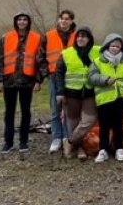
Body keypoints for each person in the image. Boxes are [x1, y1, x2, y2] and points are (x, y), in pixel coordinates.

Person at [0, 12, 45, 154]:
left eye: (24, 20)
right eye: (19, 20)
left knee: (26, 112)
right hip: (9, 81)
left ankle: (24, 142)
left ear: (28, 22)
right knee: (9, 113)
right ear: (15, 22)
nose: (22, 22)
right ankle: (8, 142)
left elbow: (41, 61)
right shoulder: (6, 38)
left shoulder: (36, 38)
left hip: (27, 81)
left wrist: (39, 80)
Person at [89, 34, 123, 162]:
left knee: (118, 125)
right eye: (112, 45)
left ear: (121, 47)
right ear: (107, 46)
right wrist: (105, 80)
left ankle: (119, 149)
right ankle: (103, 150)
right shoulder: (98, 61)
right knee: (104, 126)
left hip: (120, 98)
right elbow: (92, 77)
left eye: (118, 46)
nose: (115, 48)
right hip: (104, 99)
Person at [54, 27, 99, 160]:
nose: (80, 38)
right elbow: (58, 73)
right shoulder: (67, 53)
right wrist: (60, 92)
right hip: (71, 93)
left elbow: (114, 48)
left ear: (89, 38)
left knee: (89, 120)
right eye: (78, 36)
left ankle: (69, 142)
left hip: (89, 92)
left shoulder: (97, 51)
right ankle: (79, 148)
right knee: (72, 122)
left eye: (84, 36)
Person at [42, 10, 77, 154]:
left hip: (72, 76)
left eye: (67, 19)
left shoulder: (77, 36)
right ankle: (56, 137)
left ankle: (68, 137)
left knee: (70, 109)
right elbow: (41, 56)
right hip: (54, 76)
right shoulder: (49, 36)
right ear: (59, 20)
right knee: (55, 108)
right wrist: (44, 74)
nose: (64, 21)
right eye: (62, 18)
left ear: (71, 21)